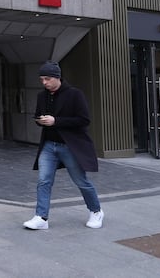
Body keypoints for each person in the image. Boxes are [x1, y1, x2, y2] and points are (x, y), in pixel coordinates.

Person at [23, 61, 104, 230]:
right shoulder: (41, 96)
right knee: (43, 181)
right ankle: (41, 217)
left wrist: (56, 121)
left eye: (47, 79)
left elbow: (84, 120)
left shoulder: (75, 94)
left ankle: (96, 211)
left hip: (70, 146)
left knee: (81, 181)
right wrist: (41, 120)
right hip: (48, 146)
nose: (44, 82)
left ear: (57, 77)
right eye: (41, 79)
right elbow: (39, 117)